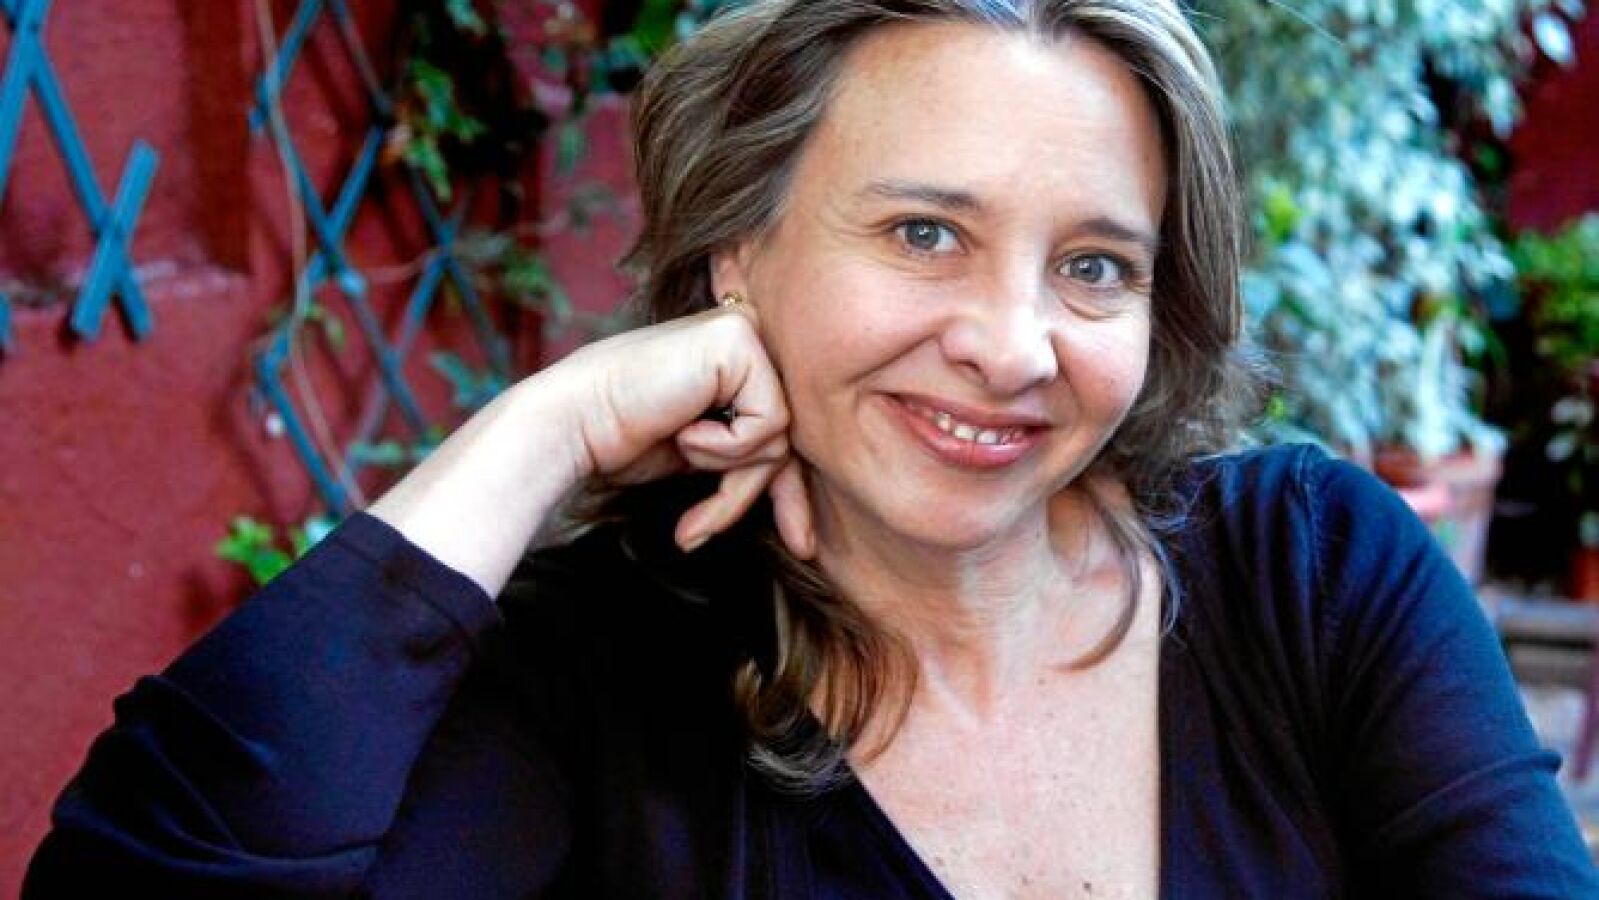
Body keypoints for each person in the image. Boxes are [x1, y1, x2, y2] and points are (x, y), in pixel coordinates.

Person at [24, 0, 1599, 896]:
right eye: (924, 233)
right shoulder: (597, 676)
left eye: (1094, 266)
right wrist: (547, 426)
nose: (1014, 344)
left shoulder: (1313, 577)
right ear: (740, 251)